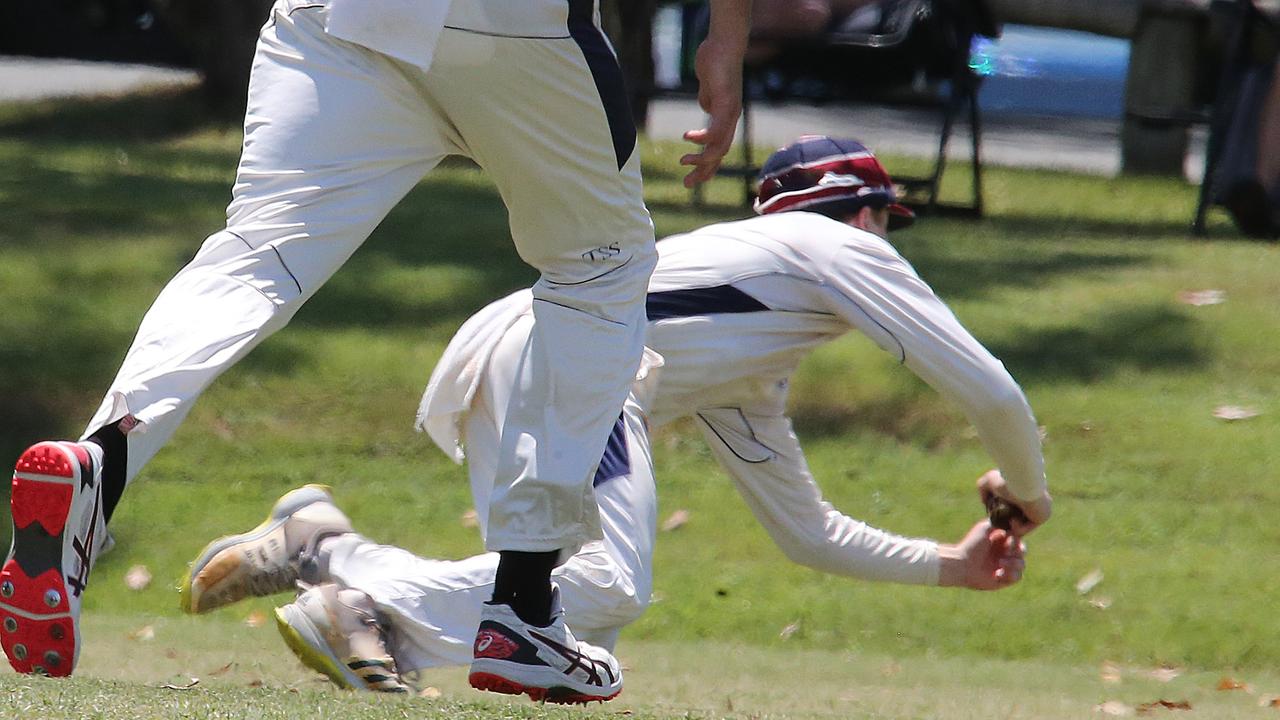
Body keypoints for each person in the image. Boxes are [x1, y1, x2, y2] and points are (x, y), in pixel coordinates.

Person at [1, 0, 753, 702]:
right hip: (512, 25)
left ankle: (102, 460)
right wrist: (726, 38)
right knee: (603, 266)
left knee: (257, 255)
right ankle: (522, 606)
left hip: (339, 14)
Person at [182, 136, 1051, 694]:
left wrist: (952, 566)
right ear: (863, 214)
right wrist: (1027, 491)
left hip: (518, 348)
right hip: (578, 356)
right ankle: (358, 593)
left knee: (555, 612)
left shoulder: (746, 351)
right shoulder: (838, 245)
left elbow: (807, 533)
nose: (883, 241)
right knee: (608, 587)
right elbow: (992, 392)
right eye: (882, 224)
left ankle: (327, 552)